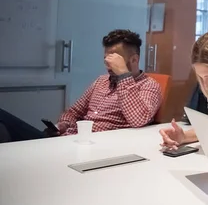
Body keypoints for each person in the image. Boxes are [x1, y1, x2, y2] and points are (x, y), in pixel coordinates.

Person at [0, 30, 161, 142]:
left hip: (96, 147)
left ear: (134, 60)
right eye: (106, 59)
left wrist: (124, 75)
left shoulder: (148, 86)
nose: (108, 65)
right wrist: (63, 125)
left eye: (114, 60)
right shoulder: (101, 81)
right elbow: (73, 112)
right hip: (69, 139)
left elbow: (139, 120)